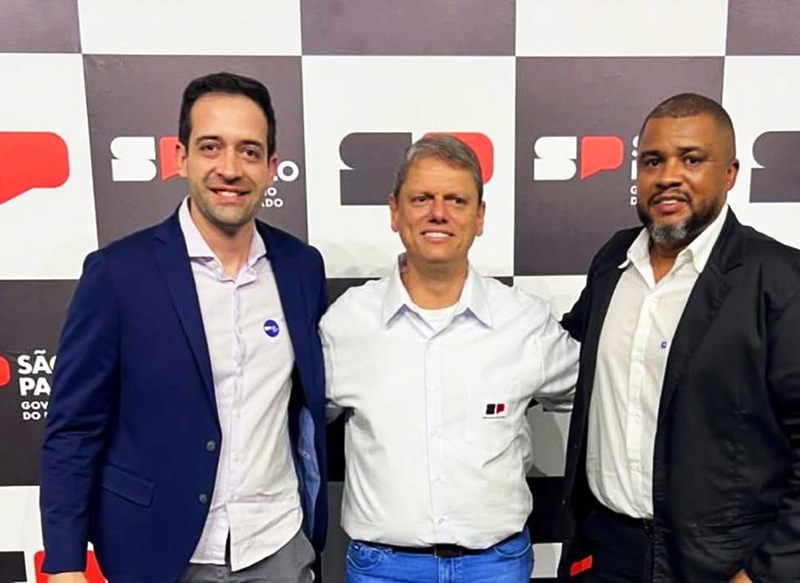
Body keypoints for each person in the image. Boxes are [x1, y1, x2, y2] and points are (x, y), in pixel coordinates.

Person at [40, 72, 328, 583]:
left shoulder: (301, 267)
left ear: (271, 168)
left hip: (278, 546)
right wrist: (64, 565)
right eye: (210, 147)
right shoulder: (118, 274)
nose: (229, 168)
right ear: (180, 158)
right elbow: (74, 430)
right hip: (158, 553)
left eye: (249, 151)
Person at [557, 92, 800, 583]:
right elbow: (559, 354)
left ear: (730, 173)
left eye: (691, 159)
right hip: (607, 552)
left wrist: (766, 572)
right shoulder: (613, 261)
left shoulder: (780, 279)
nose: (668, 176)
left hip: (723, 564)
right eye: (653, 161)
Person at [321, 134, 579, 583]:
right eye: (421, 198)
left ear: (479, 217)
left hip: (496, 567)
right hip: (383, 570)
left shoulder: (524, 321)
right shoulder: (347, 324)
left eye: (456, 200)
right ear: (394, 212)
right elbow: (293, 422)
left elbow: (604, 391)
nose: (438, 213)